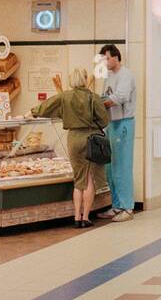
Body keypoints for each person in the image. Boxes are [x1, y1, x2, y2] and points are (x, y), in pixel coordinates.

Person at [31, 67, 110, 228]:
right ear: (85, 78)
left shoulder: (64, 97)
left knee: (78, 180)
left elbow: (46, 107)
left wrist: (31, 112)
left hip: (73, 139)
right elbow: (104, 120)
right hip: (90, 139)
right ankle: (86, 218)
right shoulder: (93, 97)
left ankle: (76, 217)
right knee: (89, 179)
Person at [95, 44, 136, 222]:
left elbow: (120, 97)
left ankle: (127, 207)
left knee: (122, 167)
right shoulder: (108, 76)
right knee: (110, 168)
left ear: (116, 57)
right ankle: (116, 205)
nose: (105, 62)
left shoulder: (126, 75)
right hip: (111, 124)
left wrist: (100, 103)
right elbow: (105, 96)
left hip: (123, 124)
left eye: (107, 58)